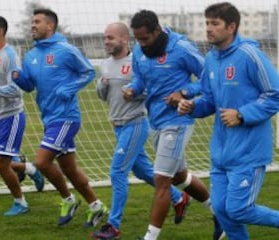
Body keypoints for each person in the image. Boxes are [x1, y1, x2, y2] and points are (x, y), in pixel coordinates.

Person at [178, 2, 279, 239]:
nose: (208, 29)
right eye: (207, 23)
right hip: (221, 153)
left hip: (249, 150)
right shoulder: (212, 59)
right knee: (222, 211)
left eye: (214, 23)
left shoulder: (250, 55)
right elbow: (210, 99)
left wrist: (242, 114)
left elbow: (275, 94)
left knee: (239, 209)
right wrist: (192, 107)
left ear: (231, 26)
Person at [123, 10, 224, 240]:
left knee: (161, 179)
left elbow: (209, 78)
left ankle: (149, 238)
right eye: (137, 39)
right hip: (156, 121)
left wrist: (184, 92)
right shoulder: (139, 50)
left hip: (178, 119)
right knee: (178, 176)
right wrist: (132, 89)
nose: (141, 44)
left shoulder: (181, 48)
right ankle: (220, 215)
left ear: (157, 31)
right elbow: (139, 78)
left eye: (145, 38)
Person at [91, 22, 190, 239]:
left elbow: (151, 90)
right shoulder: (105, 64)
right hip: (117, 125)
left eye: (111, 38)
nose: (107, 41)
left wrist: (134, 92)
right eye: (105, 37)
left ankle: (113, 226)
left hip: (135, 123)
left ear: (125, 39)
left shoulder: (137, 61)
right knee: (143, 171)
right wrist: (103, 86)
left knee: (117, 172)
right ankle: (178, 198)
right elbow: (102, 96)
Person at [12, 8, 108, 226]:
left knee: (42, 162)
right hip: (49, 119)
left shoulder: (66, 50)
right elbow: (29, 86)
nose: (32, 25)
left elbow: (88, 72)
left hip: (66, 118)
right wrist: (18, 78)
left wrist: (69, 88)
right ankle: (96, 206)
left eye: (37, 22)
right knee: (69, 170)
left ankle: (68, 199)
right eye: (32, 22)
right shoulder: (30, 56)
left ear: (50, 26)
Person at [0, 16, 44, 216]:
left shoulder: (10, 56)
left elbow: (15, 90)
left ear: (0, 32)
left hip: (11, 117)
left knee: (2, 164)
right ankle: (29, 168)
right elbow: (0, 85)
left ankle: (20, 203)